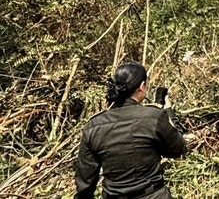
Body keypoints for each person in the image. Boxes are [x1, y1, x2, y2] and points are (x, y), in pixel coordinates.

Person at [74, 62, 186, 199]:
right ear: (142, 86)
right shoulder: (154, 117)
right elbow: (177, 149)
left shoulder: (93, 126)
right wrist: (169, 113)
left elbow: (85, 180)